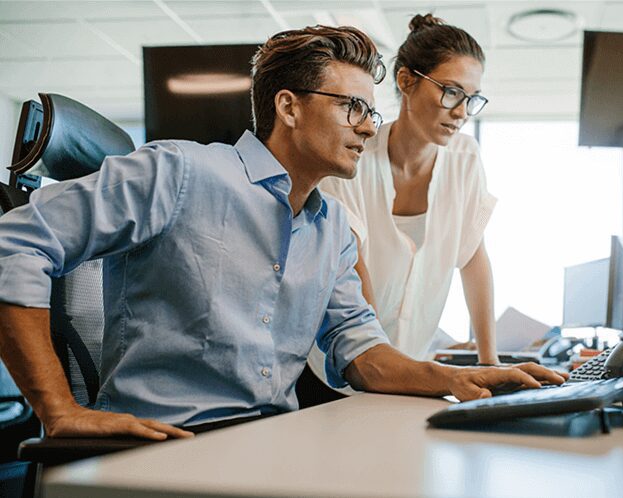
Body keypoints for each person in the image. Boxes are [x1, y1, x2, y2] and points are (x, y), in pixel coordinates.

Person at [0, 25, 566, 440]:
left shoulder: (334, 232)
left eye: (371, 112)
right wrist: (57, 408)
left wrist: (467, 377)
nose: (370, 127)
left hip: (271, 440)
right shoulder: (177, 172)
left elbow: (363, 354)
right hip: (163, 447)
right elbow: (14, 243)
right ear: (289, 107)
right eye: (352, 108)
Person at [308, 14, 500, 393]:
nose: (461, 111)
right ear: (406, 81)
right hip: (340, 370)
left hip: (411, 362)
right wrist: (380, 366)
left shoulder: (465, 158)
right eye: (451, 92)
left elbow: (473, 258)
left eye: (471, 98)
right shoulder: (352, 158)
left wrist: (489, 360)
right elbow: (353, 267)